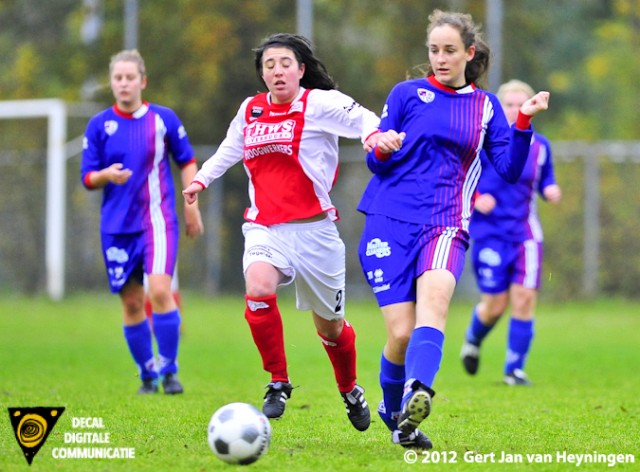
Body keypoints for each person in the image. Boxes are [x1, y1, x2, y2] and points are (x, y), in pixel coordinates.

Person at [357, 10, 550, 449]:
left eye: (449, 50)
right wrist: (382, 145)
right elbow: (375, 159)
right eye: (433, 50)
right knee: (401, 334)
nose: (440, 58)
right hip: (389, 220)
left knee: (437, 300)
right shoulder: (407, 94)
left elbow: (508, 166)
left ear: (469, 53)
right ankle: (398, 417)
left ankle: (418, 390)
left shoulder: (485, 107)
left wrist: (523, 124)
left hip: (446, 222)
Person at [183, 33, 381, 431]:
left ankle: (350, 389)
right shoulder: (251, 109)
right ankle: (278, 381)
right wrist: (200, 182)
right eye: (269, 65)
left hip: (315, 232)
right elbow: (229, 148)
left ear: (301, 69)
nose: (277, 71)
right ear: (262, 73)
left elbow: (363, 118)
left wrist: (374, 137)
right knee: (258, 288)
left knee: (331, 327)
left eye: (285, 63)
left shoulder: (318, 103)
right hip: (265, 226)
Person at [81, 49, 204, 395]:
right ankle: (147, 373)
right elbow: (87, 178)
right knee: (132, 302)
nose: (124, 83)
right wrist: (105, 174)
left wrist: (191, 204)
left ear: (142, 81)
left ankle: (170, 370)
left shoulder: (163, 119)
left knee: (161, 291)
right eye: (118, 78)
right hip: (116, 227)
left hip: (158, 221)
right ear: (112, 83)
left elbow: (188, 161)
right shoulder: (99, 125)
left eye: (130, 77)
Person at [460, 79, 562, 386]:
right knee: (494, 306)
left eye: (521, 104)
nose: (516, 109)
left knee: (524, 299)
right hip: (489, 234)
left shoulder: (540, 145)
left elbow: (545, 180)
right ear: (499, 107)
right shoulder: (483, 142)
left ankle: (514, 370)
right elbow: (460, 178)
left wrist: (551, 189)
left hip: (526, 235)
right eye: (510, 104)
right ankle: (473, 340)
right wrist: (477, 199)